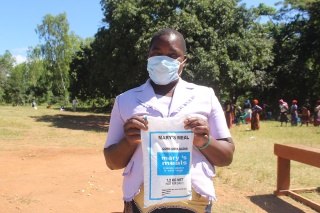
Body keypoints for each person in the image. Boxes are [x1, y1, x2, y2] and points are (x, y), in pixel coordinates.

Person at [103, 28, 235, 213]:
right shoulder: (125, 100)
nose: (164, 60)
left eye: (173, 55)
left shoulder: (205, 96)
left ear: (184, 61)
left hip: (194, 202)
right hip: (143, 203)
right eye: (157, 53)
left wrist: (204, 141)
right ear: (148, 57)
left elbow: (226, 156)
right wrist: (129, 141)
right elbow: (112, 162)